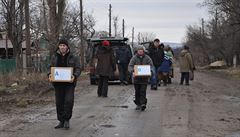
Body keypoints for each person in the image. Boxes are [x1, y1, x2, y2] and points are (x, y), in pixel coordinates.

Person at [48, 39, 81, 129]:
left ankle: (67, 120)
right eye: (61, 45)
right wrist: (49, 75)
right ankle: (61, 121)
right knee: (59, 102)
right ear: (59, 46)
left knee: (69, 101)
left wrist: (74, 76)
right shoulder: (54, 56)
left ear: (67, 47)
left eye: (64, 45)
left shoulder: (73, 56)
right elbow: (50, 67)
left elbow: (78, 68)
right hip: (58, 84)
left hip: (69, 84)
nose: (62, 47)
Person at [128, 45, 154, 111]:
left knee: (143, 91)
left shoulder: (147, 58)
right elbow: (130, 66)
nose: (140, 52)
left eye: (141, 51)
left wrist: (150, 70)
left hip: (144, 78)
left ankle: (143, 104)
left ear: (143, 51)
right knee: (137, 91)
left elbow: (151, 65)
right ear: (137, 51)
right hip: (136, 79)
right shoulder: (134, 58)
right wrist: (132, 71)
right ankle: (138, 104)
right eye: (139, 51)